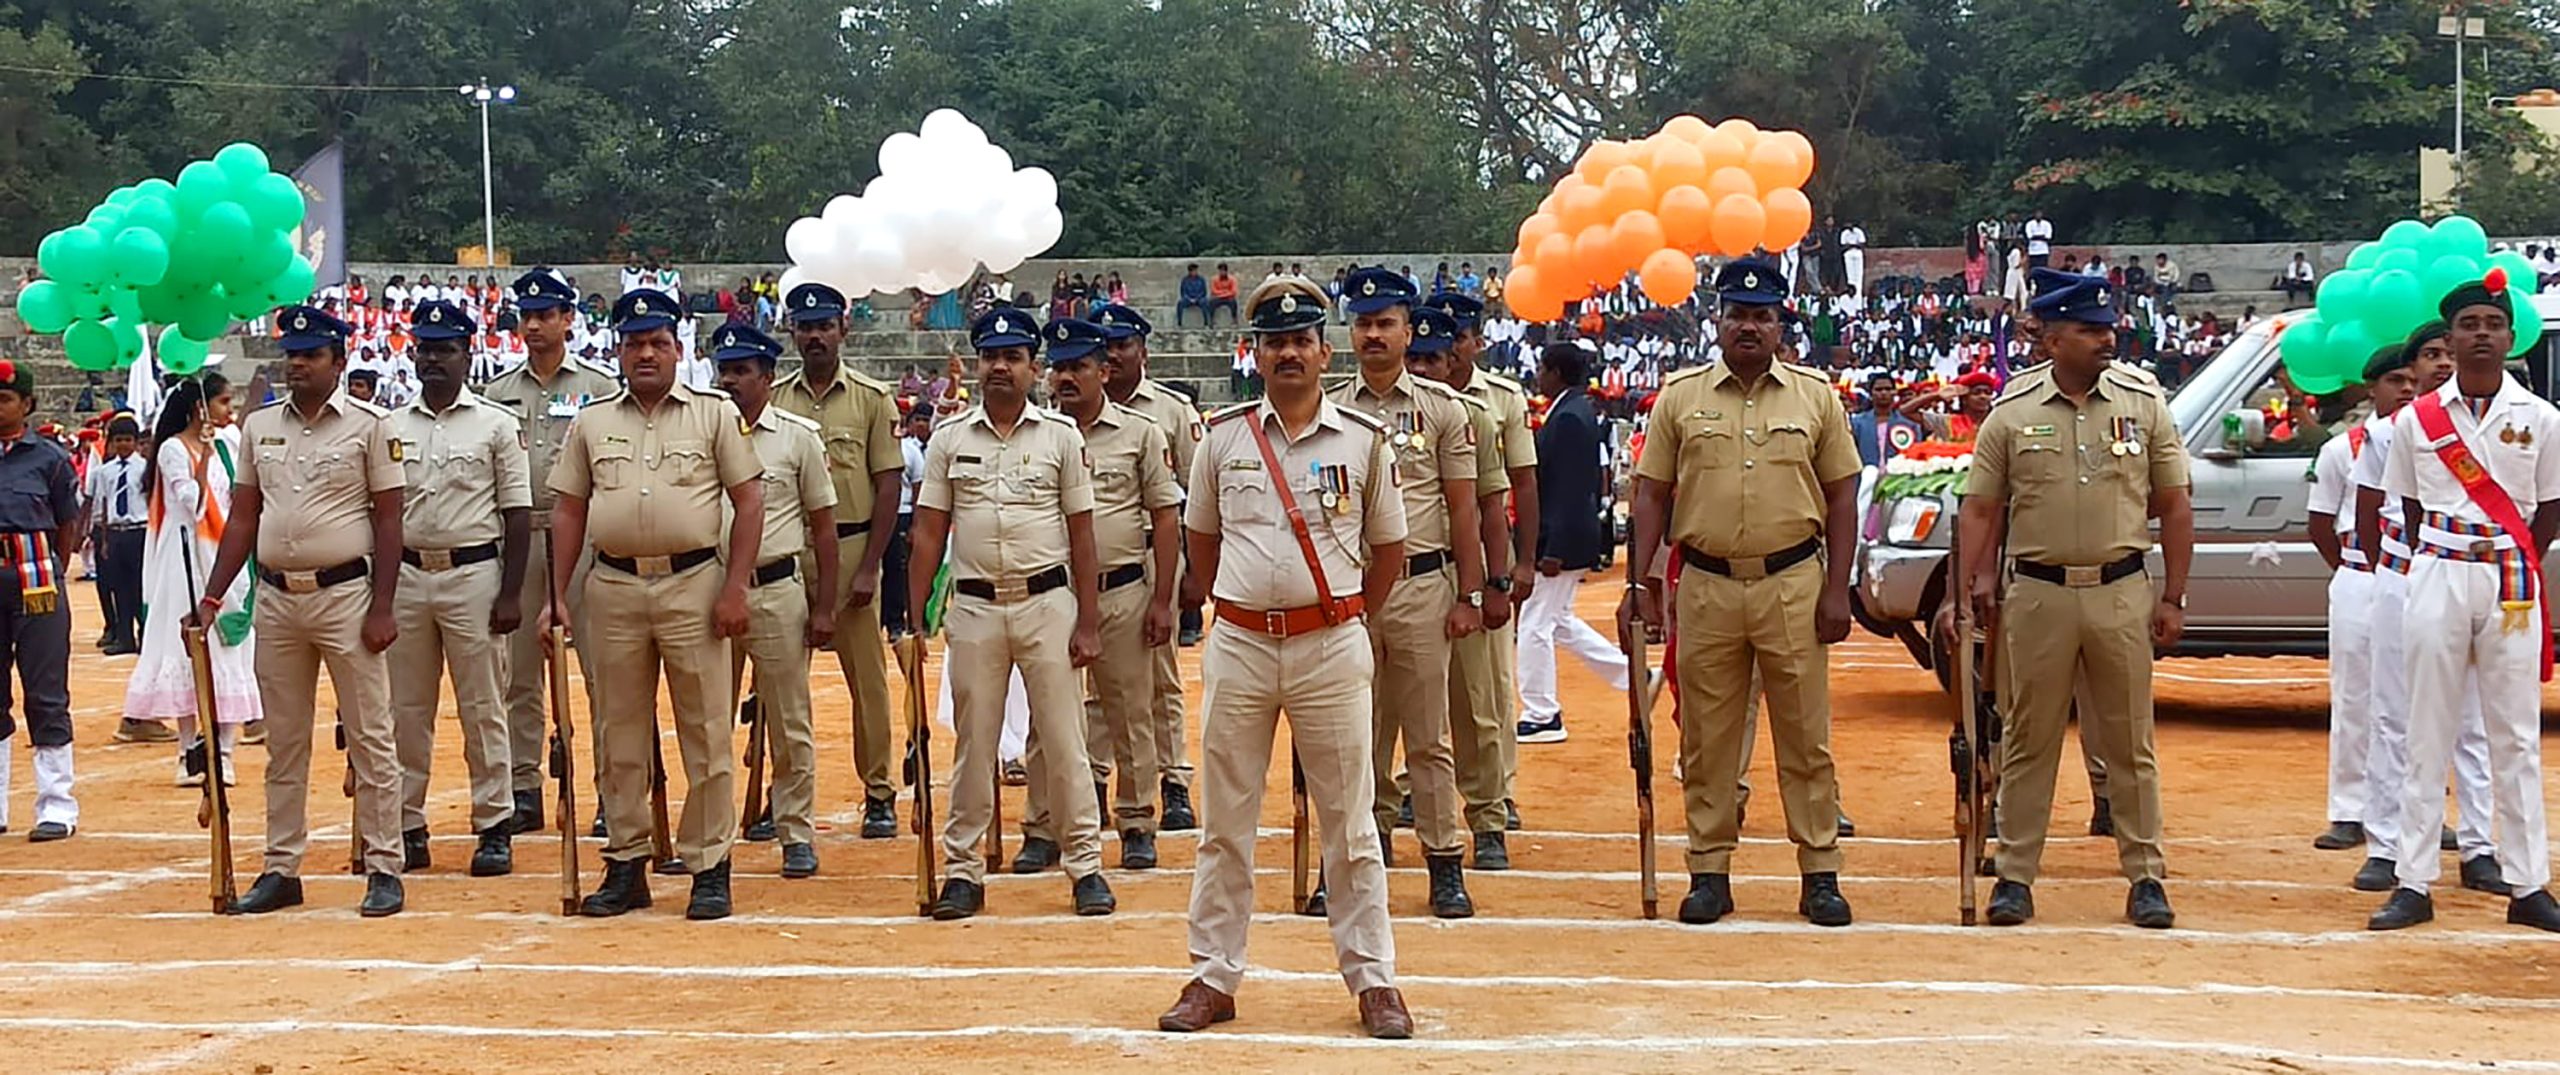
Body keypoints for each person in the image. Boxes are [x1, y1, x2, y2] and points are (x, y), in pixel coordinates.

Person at [1156, 274, 1414, 1040]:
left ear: (1323, 351)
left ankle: (1374, 979)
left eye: (1302, 339)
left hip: (1330, 642)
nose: (1289, 352)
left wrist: (1343, 609)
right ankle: (1213, 975)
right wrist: (1235, 601)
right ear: (1256, 353)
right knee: (1226, 819)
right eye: (1275, 341)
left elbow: (1390, 548)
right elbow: (1202, 543)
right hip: (1239, 641)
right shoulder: (1223, 437)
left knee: (1351, 819)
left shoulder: (1363, 443)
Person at [1626, 257, 1859, 928]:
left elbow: (1842, 495)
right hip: (1706, 583)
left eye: (1762, 316)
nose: (1749, 326)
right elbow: (1652, 496)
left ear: (1782, 324)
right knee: (1707, 735)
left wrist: (1837, 588)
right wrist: (1641, 580)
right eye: (1738, 315)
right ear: (1717, 321)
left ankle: (1819, 871)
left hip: (1793, 581)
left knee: (1805, 735)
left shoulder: (1816, 396)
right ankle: (1709, 869)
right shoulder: (1681, 396)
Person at [1959, 271, 2192, 929]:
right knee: (2029, 738)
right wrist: (1968, 584)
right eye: (2091, 330)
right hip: (2037, 593)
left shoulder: (2144, 401)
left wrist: (2172, 594)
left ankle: (2146, 874)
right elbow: (1981, 509)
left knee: (2129, 740)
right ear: (2052, 338)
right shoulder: (2013, 409)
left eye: (2107, 327)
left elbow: (2174, 505)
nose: (2107, 338)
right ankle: (2015, 875)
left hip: (2121, 589)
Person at [546, 288, 764, 921]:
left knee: (705, 731)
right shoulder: (592, 422)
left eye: (658, 343)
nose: (646, 353)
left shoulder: (714, 416)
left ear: (677, 348)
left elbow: (749, 502)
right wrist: (556, 596)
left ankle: (709, 866)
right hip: (610, 588)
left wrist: (734, 587)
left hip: (694, 584)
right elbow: (568, 509)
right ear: (617, 350)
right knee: (617, 730)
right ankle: (625, 862)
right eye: (635, 343)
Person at [199, 305, 408, 916]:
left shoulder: (371, 426)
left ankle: (384, 865)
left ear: (338, 362)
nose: (298, 364)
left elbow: (389, 519)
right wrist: (213, 597)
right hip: (278, 600)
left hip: (348, 596)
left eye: (311, 355)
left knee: (371, 736)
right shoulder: (259, 428)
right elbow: (242, 516)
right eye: (293, 354)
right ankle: (281, 866)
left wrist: (384, 606)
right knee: (285, 742)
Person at [906, 309, 1115, 920]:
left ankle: (1085, 867)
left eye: (1014, 356)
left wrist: (1089, 621)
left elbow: (1083, 534)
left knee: (1064, 738)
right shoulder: (949, 438)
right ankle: (964, 872)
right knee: (975, 744)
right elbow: (927, 533)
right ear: (978, 365)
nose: (1000, 366)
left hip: (1048, 603)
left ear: (1034, 368)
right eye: (991, 356)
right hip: (972, 606)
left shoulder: (1060, 438)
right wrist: (915, 618)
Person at [2369, 272, 2560, 933]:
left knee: (2515, 735)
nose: (2481, 334)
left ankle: (2528, 882)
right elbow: (2413, 507)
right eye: (2469, 324)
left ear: (2511, 337)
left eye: (2493, 324)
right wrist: (2454, 553)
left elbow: (2550, 509)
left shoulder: (2541, 419)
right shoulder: (2416, 422)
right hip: (2438, 572)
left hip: (2509, 582)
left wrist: (2509, 555)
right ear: (2449, 338)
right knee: (2427, 727)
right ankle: (2412, 881)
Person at [1324, 266, 1484, 919]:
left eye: (1386, 323)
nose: (1374, 334)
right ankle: (1354, 859)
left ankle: (1444, 861)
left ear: (1407, 329)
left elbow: (1463, 507)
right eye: (1363, 324)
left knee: (1427, 735)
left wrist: (1470, 593)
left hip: (1421, 586)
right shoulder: (1329, 409)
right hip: (1352, 592)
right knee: (1350, 736)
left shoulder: (1443, 410)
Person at [2340, 324, 2503, 896]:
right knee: (2393, 715)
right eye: (2427, 356)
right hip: (2407, 576)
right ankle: (2387, 844)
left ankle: (2481, 846)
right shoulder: (2393, 431)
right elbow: (2367, 509)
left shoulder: (2495, 423)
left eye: (2443, 352)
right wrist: (2398, 569)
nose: (2437, 363)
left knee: (2472, 719)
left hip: (2474, 576)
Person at [1014, 317, 1180, 872]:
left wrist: (1164, 600)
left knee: (1129, 707)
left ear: (1103, 372)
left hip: (1121, 590)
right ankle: (1043, 824)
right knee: (1049, 715)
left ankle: (1136, 819)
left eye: (1078, 367)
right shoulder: (1031, 434)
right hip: (1049, 592)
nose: (1067, 378)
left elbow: (1165, 517)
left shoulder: (1140, 433)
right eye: (1058, 368)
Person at [384, 300, 533, 878]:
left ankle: (494, 824)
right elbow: (385, 515)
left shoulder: (496, 424)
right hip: (409, 577)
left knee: (483, 707)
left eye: (445, 349)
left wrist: (511, 595)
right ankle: (407, 825)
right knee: (406, 710)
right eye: (425, 349)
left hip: (475, 575)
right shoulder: (391, 426)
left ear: (468, 353)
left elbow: (517, 514)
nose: (433, 360)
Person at [483, 269, 622, 834]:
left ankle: (610, 791)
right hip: (518, 541)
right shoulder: (497, 394)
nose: (535, 326)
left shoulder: (598, 387)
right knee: (518, 676)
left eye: (546, 315)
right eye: (527, 316)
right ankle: (523, 788)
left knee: (602, 673)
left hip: (583, 540)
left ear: (569, 319)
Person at [773, 282, 906, 840]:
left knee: (868, 685)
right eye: (805, 328)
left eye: (824, 326)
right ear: (793, 334)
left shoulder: (872, 399)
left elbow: (889, 485)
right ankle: (777, 796)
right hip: (786, 552)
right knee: (778, 683)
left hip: (852, 551)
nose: (815, 336)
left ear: (843, 329)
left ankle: (879, 793)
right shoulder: (775, 398)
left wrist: (873, 564)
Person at [711, 322, 839, 880]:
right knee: (708, 717)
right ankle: (709, 836)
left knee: (790, 719)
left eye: (741, 372)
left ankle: (795, 832)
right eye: (725, 371)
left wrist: (825, 605)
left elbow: (824, 527)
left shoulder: (798, 437)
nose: (730, 380)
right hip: (709, 588)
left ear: (767, 376)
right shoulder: (703, 431)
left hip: (777, 588)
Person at [1402, 305, 1521, 869]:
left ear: (1454, 360)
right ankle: (1386, 812)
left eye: (1433, 359)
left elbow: (1492, 508)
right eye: (1415, 358)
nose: (1423, 369)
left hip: (1460, 573)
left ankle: (1488, 816)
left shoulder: (1474, 417)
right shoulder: (1363, 415)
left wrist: (1494, 584)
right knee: (1390, 710)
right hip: (1400, 579)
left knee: (1475, 706)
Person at [1424, 292, 1538, 842]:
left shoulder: (1496, 401)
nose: (1427, 363)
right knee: (1406, 698)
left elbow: (1515, 488)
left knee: (1484, 693)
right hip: (1412, 569)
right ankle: (1411, 789)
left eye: (1443, 347)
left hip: (1476, 566)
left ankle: (1496, 795)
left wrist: (1512, 569)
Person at [1094, 301, 1207, 831]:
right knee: (1094, 683)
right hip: (1087, 560)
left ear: (1144, 350)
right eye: (1106, 346)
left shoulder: (1170, 411)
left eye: (1123, 345)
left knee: (1157, 678)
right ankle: (1095, 778)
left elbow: (1196, 495)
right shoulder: (1069, 409)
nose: (1113, 355)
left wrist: (1185, 577)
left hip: (1151, 554)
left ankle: (1173, 778)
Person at [1514, 339, 1628, 754]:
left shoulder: (1568, 418)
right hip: (1569, 533)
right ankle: (1631, 676)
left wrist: (1553, 547)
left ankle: (1541, 714)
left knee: (1533, 623)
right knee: (1557, 620)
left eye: (1543, 368)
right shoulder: (1574, 412)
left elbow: (1566, 490)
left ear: (1557, 372)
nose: (1538, 375)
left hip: (1561, 538)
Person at [0, 359, 81, 843]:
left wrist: (56, 566)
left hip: (35, 577)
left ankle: (56, 804)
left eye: (5, 398)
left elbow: (66, 521)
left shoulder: (49, 458)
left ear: (26, 405)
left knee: (46, 690)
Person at [87, 416, 146, 656]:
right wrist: (103, 540)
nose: (123, 445)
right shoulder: (104, 472)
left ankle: (146, 634)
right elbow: (102, 504)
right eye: (119, 440)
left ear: (136, 442)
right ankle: (124, 637)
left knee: (141, 587)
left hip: (139, 531)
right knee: (120, 588)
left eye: (128, 440)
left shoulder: (145, 468)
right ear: (111, 442)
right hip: (116, 533)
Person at [882, 404, 930, 642]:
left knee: (896, 571)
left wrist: (916, 524)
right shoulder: (876, 446)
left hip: (901, 514)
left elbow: (919, 487)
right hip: (875, 515)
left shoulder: (910, 450)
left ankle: (895, 622)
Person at [1839, 220, 1869, 301]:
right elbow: (1843, 246)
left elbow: (1862, 245)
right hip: (1848, 254)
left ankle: (1858, 294)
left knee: (1858, 275)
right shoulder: (1844, 233)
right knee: (1850, 276)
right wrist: (1853, 245)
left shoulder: (1859, 232)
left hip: (1858, 254)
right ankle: (1851, 291)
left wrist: (1852, 245)